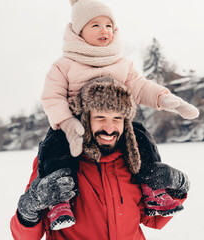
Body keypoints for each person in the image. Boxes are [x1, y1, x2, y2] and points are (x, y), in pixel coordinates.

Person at [37, 0, 198, 231]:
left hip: (113, 120)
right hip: (75, 125)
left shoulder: (121, 62)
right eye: (95, 25)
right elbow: (52, 97)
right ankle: (59, 201)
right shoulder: (64, 64)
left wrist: (166, 99)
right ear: (79, 30)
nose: (104, 30)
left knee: (140, 134)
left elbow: (140, 87)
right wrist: (67, 123)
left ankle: (153, 189)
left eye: (108, 25)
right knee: (54, 145)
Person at [11, 78, 190, 239]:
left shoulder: (134, 161)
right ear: (85, 118)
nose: (110, 129)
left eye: (117, 119)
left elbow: (153, 220)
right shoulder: (58, 161)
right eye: (100, 117)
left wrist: (178, 188)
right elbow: (25, 237)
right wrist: (30, 207)